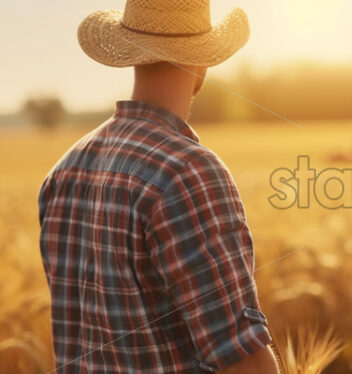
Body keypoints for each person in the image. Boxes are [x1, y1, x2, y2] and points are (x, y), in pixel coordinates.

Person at [37, 1, 279, 372]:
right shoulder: (189, 171)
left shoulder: (62, 172)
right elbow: (241, 359)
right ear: (204, 61)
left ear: (130, 51)